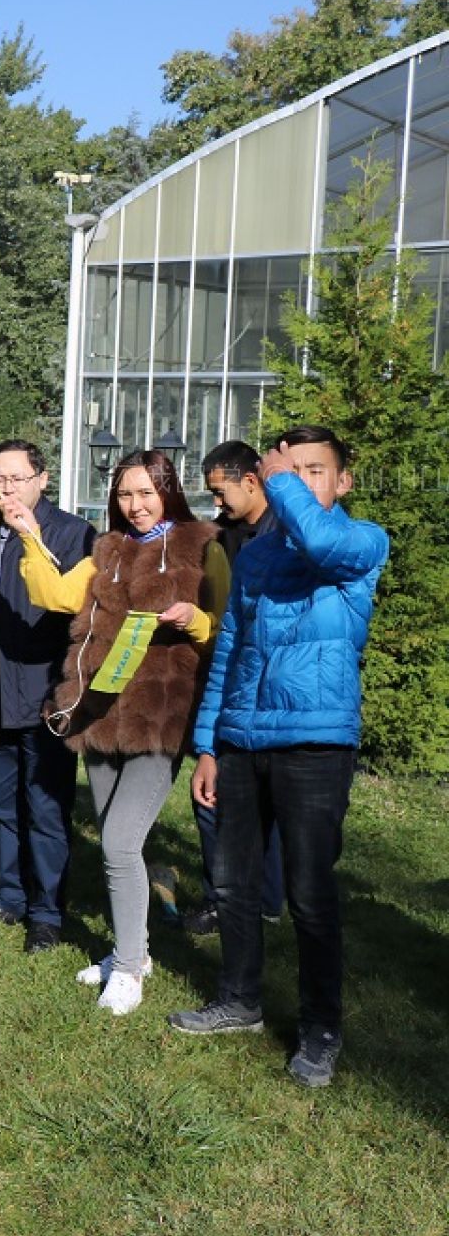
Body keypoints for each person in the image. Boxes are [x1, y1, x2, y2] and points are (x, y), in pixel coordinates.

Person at [170, 427, 388, 1089]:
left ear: (342, 482)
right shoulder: (259, 558)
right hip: (242, 743)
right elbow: (231, 652)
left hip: (316, 746)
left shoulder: (360, 542)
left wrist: (280, 479)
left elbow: (319, 539)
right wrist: (210, 744)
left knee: (310, 894)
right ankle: (239, 998)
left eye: (313, 471)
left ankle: (321, 1028)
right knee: (234, 884)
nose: (299, 483)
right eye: (289, 473)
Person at [6, 448, 228, 1017]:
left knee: (120, 843)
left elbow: (227, 630)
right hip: (99, 716)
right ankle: (132, 950)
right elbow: (55, 595)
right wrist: (30, 536)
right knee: (116, 846)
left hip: (160, 719)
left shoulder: (202, 547)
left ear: (168, 492)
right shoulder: (108, 551)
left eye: (145, 493)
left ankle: (129, 969)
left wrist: (195, 620)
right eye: (125, 495)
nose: (135, 506)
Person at [0, 440, 95, 953]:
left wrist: (34, 539)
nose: (7, 489)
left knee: (45, 808)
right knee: (2, 805)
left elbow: (79, 618)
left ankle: (47, 911)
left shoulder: (73, 534)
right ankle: (6, 897)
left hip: (45, 694)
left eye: (17, 479)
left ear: (42, 479)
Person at [182, 440, 285, 936]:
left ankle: (256, 898)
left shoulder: (283, 537)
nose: (216, 503)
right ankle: (233, 896)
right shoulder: (225, 537)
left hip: (272, 691)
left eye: (220, 492)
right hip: (232, 684)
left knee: (258, 804)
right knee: (212, 798)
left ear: (251, 481)